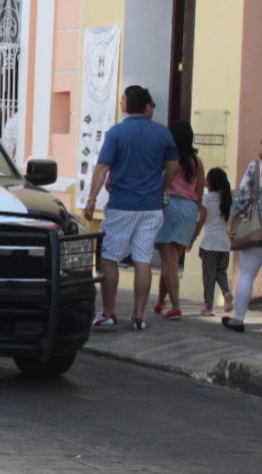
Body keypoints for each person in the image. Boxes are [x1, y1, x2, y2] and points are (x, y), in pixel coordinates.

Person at [83, 85, 179, 332]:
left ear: (128, 104)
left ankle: (109, 312)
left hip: (122, 206)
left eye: (123, 98)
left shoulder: (117, 133)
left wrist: (92, 198)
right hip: (151, 207)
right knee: (143, 260)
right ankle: (138, 316)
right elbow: (173, 168)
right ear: (147, 105)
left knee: (110, 258)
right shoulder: (163, 134)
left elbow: (102, 167)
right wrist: (160, 188)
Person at [152, 120, 205, 319]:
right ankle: (160, 302)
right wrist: (195, 213)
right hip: (190, 209)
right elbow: (199, 191)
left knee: (169, 260)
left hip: (170, 207)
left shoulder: (169, 159)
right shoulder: (197, 162)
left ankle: (175, 306)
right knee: (171, 261)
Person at [224, 144, 262, 332]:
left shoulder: (256, 167)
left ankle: (238, 320)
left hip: (256, 230)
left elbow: (241, 197)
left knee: (247, 274)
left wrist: (231, 219)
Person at [196, 167, 234, 317]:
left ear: (210, 183)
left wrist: (194, 234)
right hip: (225, 243)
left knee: (208, 275)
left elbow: (202, 219)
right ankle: (227, 291)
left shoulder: (206, 198)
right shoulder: (228, 199)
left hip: (210, 242)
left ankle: (209, 306)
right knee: (221, 271)